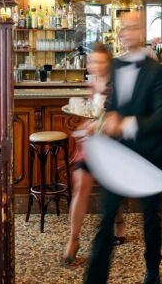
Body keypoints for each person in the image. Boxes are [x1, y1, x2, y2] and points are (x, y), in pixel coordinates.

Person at [84, 10, 162, 284]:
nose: (126, 33)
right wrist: (100, 123)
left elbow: (161, 117)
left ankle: (152, 272)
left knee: (151, 220)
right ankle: (95, 279)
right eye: (123, 28)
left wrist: (125, 124)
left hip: (149, 156)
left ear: (142, 32)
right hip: (118, 155)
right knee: (106, 218)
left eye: (132, 27)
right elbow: (113, 106)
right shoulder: (116, 66)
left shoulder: (157, 71)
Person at [61, 43, 126, 265]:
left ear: (109, 63)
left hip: (112, 145)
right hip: (91, 144)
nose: (95, 65)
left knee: (112, 186)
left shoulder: (118, 85)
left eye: (100, 61)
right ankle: (73, 240)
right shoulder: (94, 83)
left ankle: (119, 222)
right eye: (92, 61)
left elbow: (118, 115)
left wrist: (96, 125)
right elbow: (94, 113)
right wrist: (86, 125)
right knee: (80, 185)